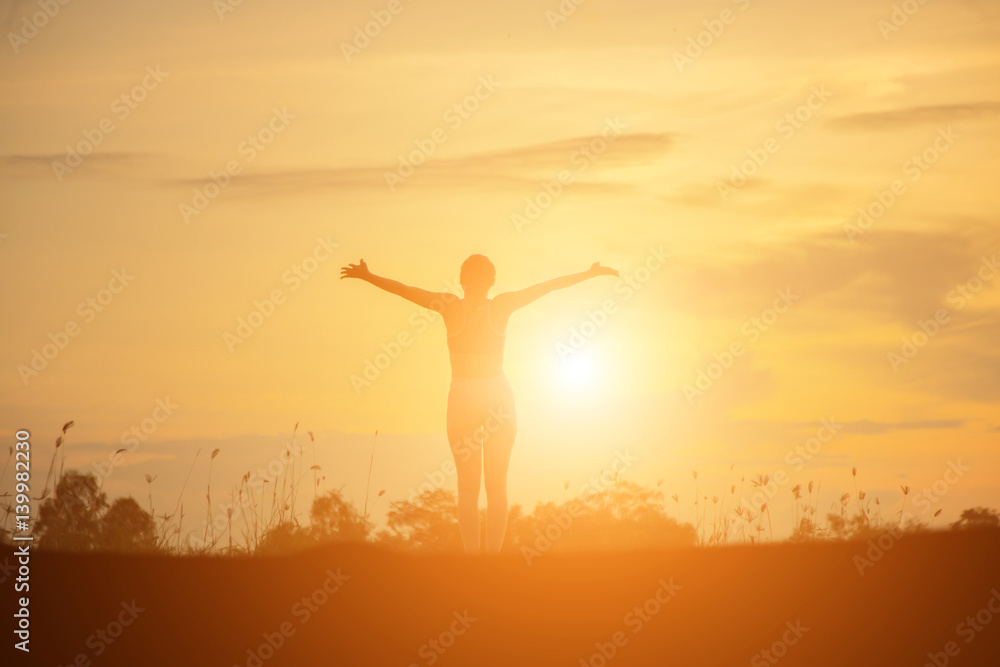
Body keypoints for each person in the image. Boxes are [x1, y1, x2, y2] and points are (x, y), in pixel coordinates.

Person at [341, 254, 618, 553]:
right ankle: (491, 560)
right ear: (492, 281)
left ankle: (474, 560)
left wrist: (369, 276)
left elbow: (406, 290)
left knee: (468, 486)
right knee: (496, 486)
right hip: (496, 396)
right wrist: (587, 274)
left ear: (462, 279)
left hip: (464, 397)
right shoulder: (499, 305)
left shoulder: (449, 305)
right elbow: (546, 287)